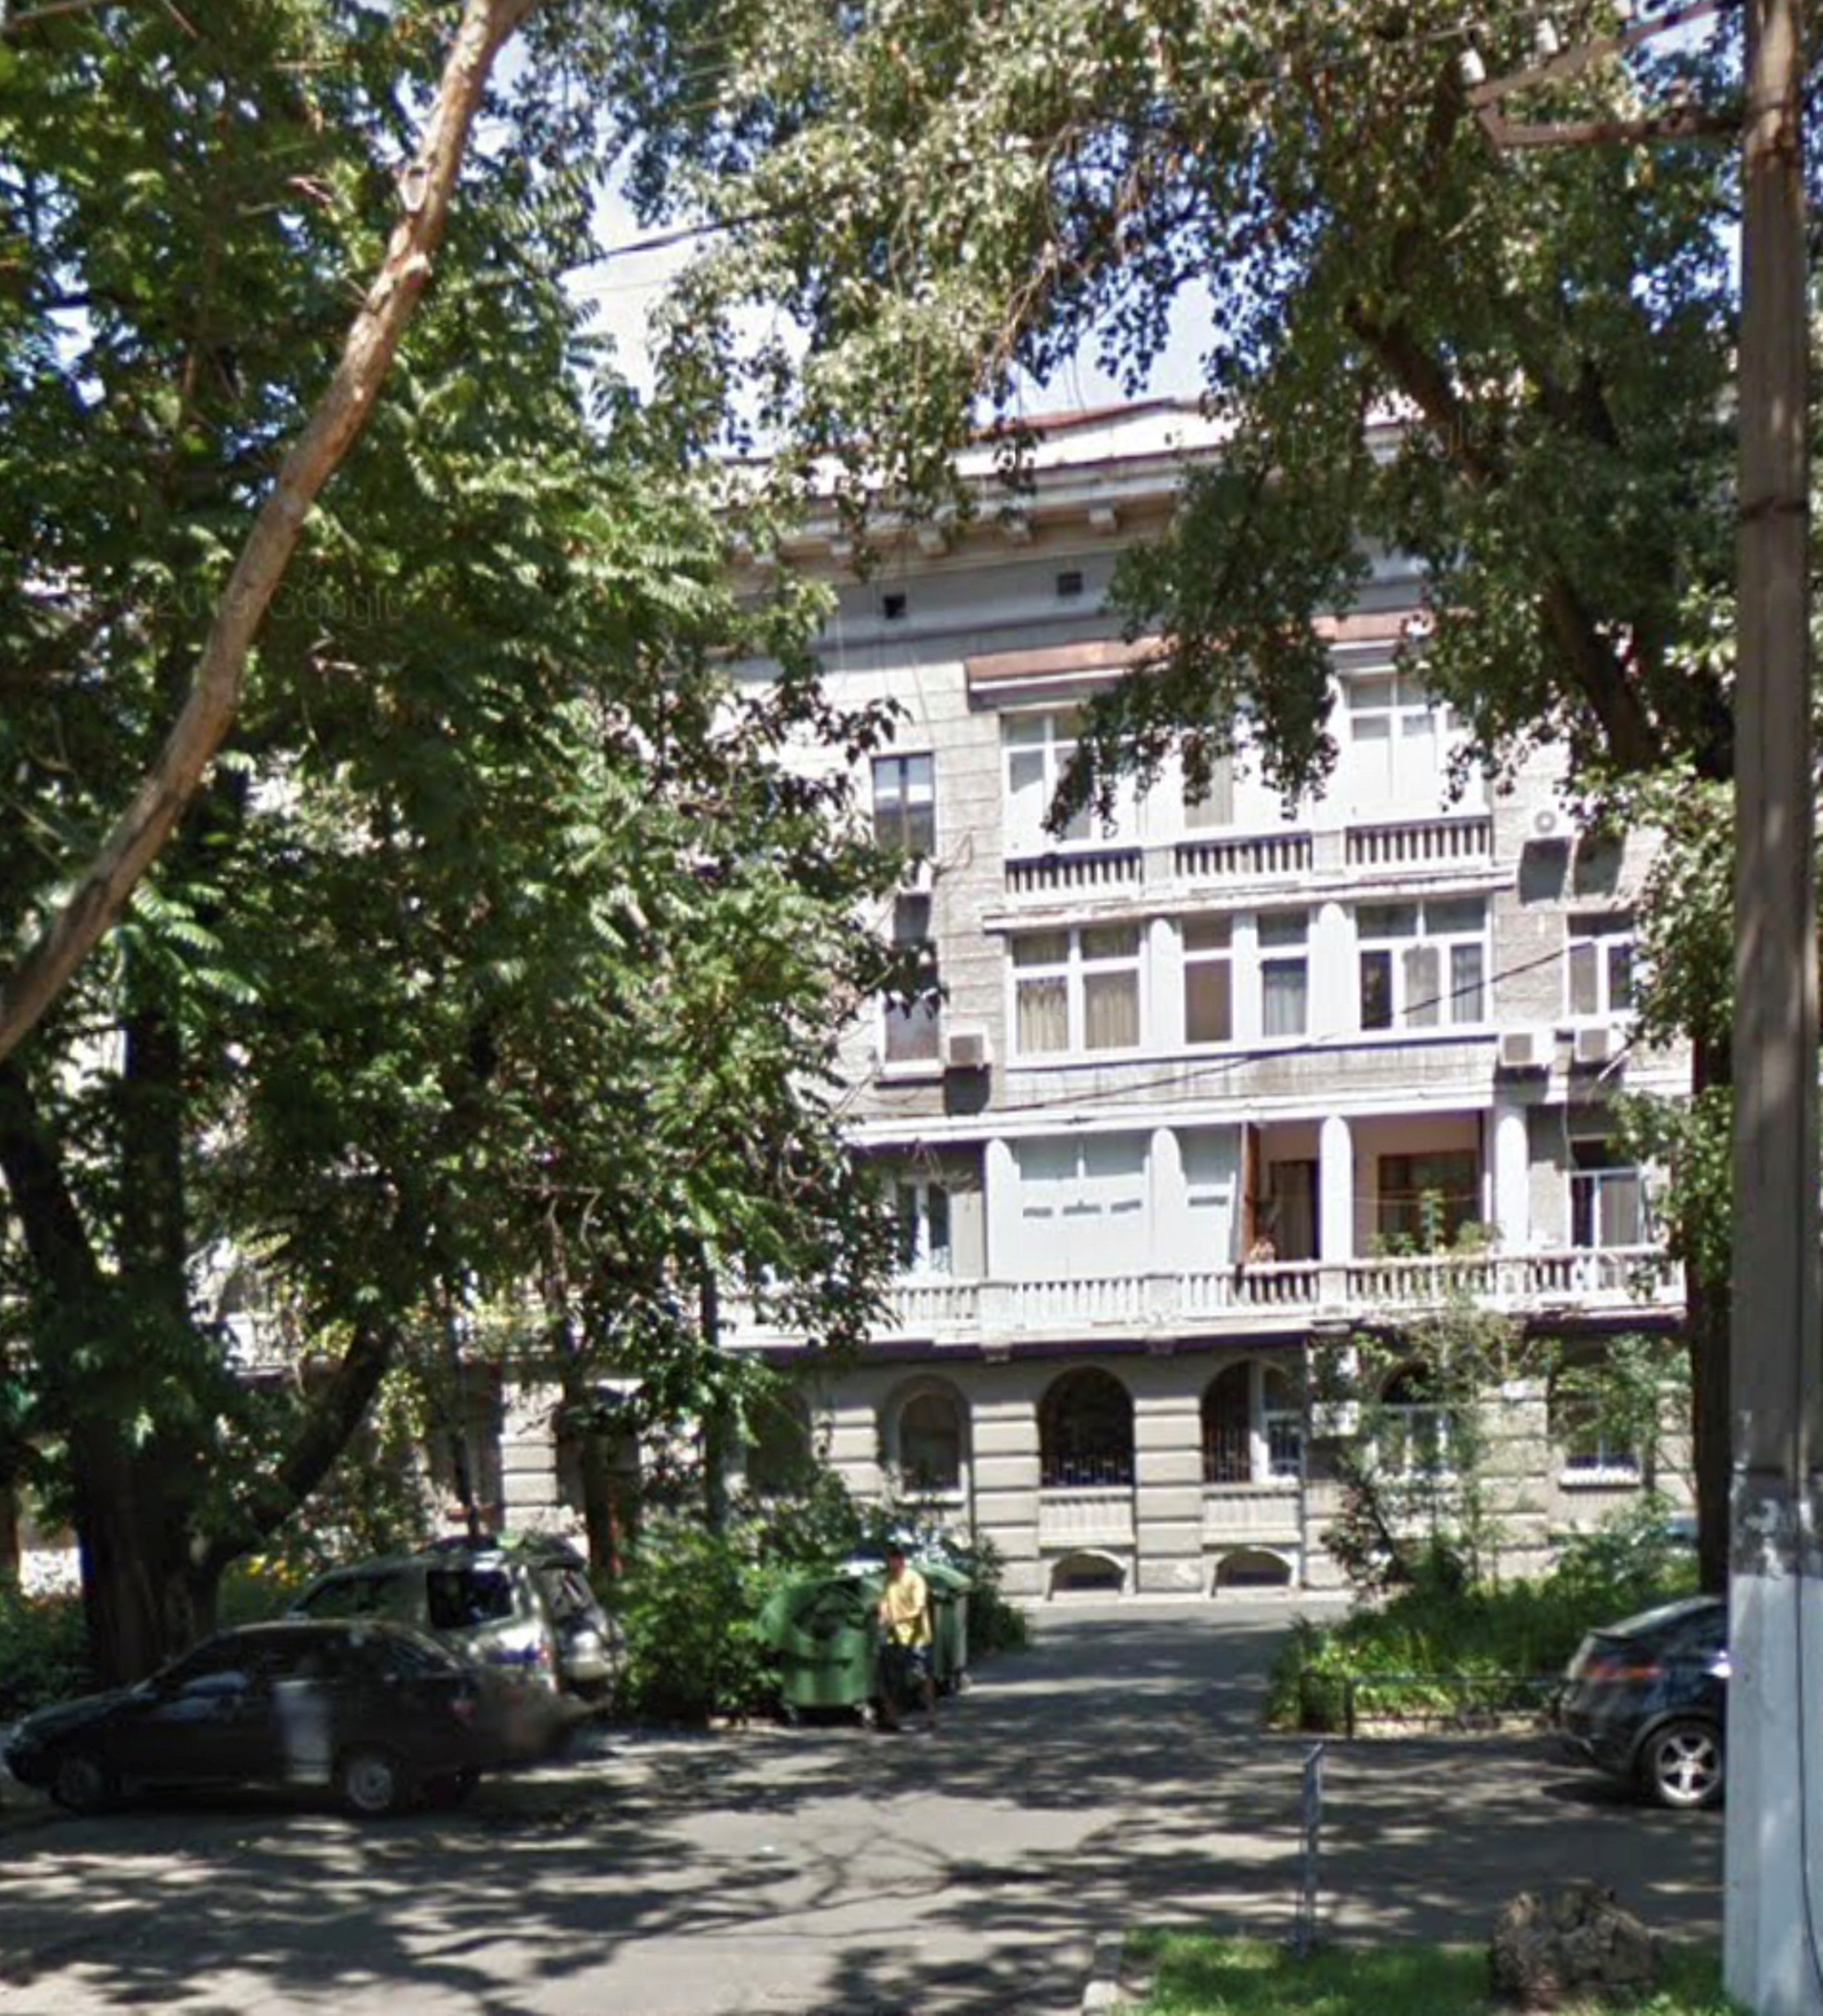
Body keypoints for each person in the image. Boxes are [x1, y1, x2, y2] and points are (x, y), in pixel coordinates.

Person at [875, 1544, 937, 1734]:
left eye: (892, 1560)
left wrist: (899, 1618)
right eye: (888, 1560)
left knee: (923, 1676)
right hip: (894, 1636)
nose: (890, 1564)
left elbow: (919, 1608)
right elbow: (884, 1600)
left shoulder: (914, 1579)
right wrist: (883, 1613)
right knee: (888, 1677)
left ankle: (931, 1715)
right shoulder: (889, 1580)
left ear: (901, 1560)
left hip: (916, 1637)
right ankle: (891, 1717)